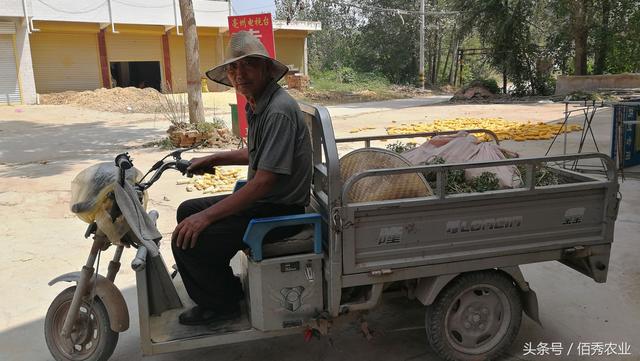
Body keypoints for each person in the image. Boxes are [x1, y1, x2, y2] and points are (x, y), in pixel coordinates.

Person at [171, 31, 312, 326]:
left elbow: (263, 182)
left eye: (248, 64)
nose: (239, 73)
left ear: (264, 68)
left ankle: (221, 305)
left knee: (190, 237)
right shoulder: (259, 104)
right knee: (186, 211)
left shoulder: (277, 111)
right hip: (266, 201)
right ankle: (225, 287)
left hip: (280, 210)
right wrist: (214, 158)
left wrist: (207, 217)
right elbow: (256, 153)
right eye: (234, 67)